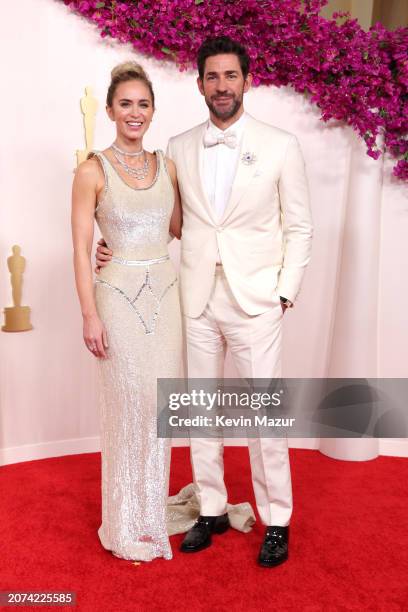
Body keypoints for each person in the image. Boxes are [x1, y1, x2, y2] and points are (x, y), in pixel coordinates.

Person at [96, 36, 313, 567]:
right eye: (212, 77)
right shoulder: (177, 147)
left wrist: (285, 290)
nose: (222, 86)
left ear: (246, 80)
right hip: (191, 299)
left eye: (230, 76)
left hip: (256, 299)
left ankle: (277, 518)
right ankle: (211, 507)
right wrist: (112, 241)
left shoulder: (281, 144)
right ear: (198, 84)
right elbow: (162, 219)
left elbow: (300, 227)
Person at [72, 62, 182, 562]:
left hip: (166, 298)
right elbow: (79, 249)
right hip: (116, 300)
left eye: (143, 104)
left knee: (160, 411)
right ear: (112, 110)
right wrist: (88, 314)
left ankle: (151, 515)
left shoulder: (168, 165)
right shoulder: (91, 170)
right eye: (125, 104)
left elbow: (179, 228)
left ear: (152, 110)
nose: (134, 113)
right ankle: (123, 521)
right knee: (127, 405)